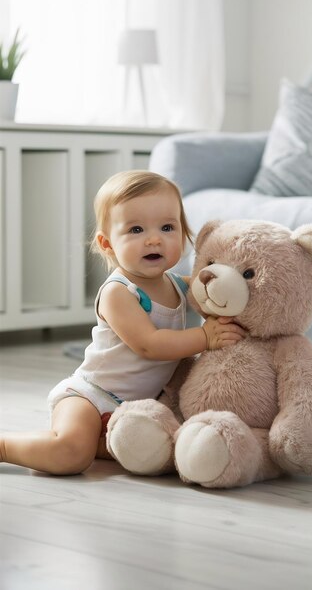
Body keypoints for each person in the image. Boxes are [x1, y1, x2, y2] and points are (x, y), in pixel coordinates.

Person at [0, 170, 246, 475]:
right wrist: (206, 336)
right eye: (136, 229)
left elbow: (211, 291)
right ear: (107, 244)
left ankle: (105, 443)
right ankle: (5, 447)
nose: (154, 238)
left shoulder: (177, 284)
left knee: (158, 447)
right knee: (72, 454)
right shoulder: (119, 292)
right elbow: (149, 345)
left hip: (136, 409)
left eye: (167, 227)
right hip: (91, 396)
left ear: (183, 233)